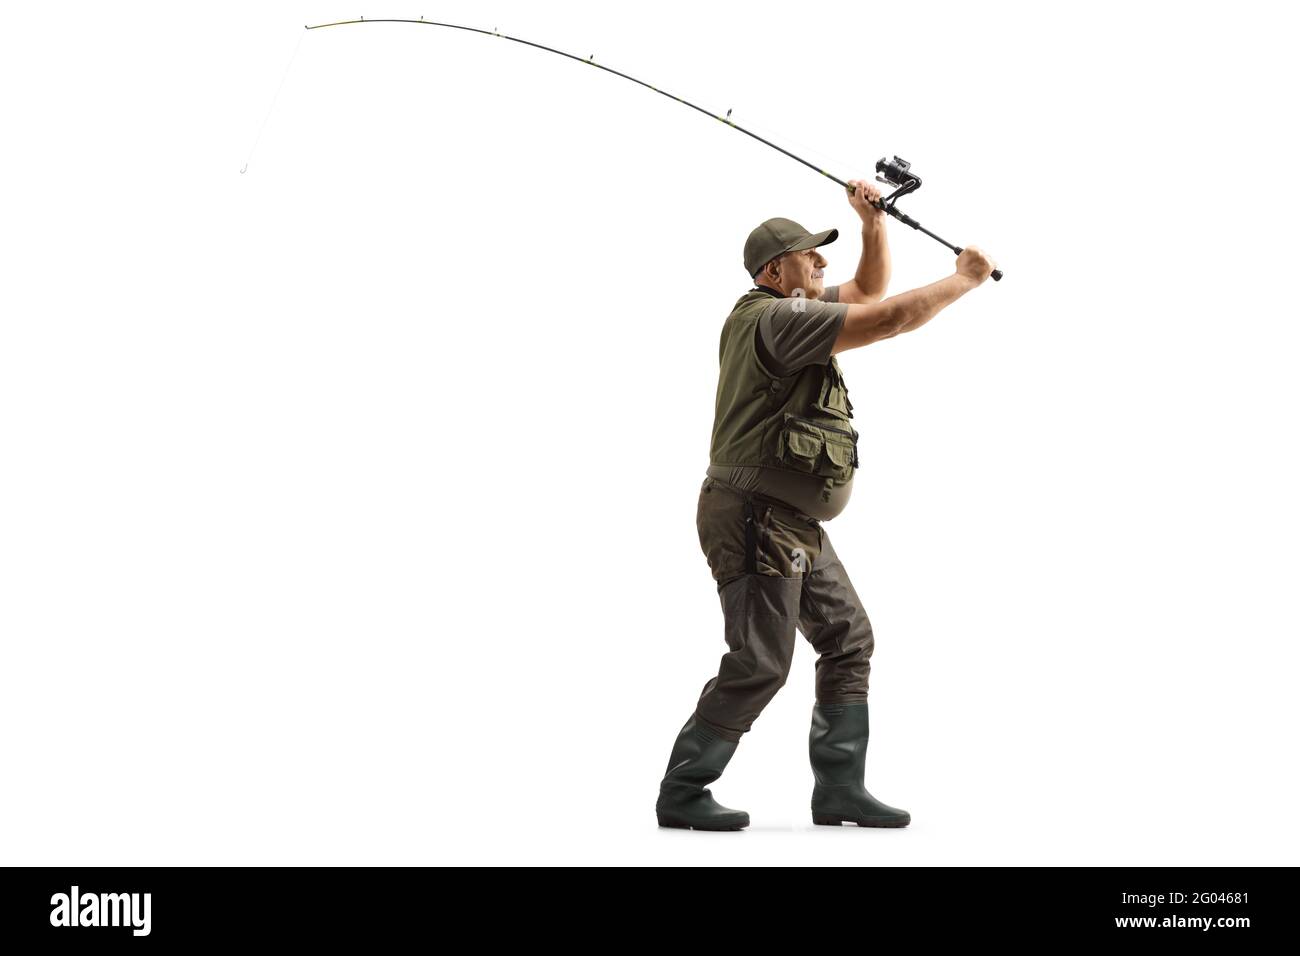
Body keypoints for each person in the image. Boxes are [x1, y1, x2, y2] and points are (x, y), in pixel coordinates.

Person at [655, 179, 997, 831]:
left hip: (792, 521)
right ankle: (683, 790)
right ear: (774, 269)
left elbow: (868, 292)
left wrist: (871, 224)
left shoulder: (792, 310)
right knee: (761, 659)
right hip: (755, 514)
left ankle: (839, 789)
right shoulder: (778, 319)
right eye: (810, 256)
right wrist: (963, 281)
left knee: (847, 638)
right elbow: (888, 317)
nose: (821, 264)